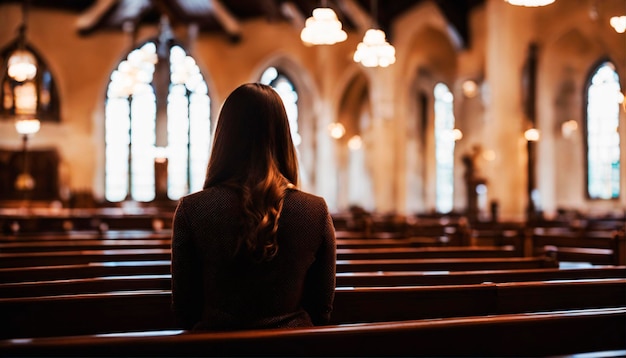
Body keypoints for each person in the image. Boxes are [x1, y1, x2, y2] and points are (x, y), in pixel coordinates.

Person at [171, 83, 336, 331]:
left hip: (216, 348)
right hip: (294, 348)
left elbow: (185, 309)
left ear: (224, 137)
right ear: (284, 137)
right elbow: (321, 308)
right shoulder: (315, 211)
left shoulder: (193, 209)